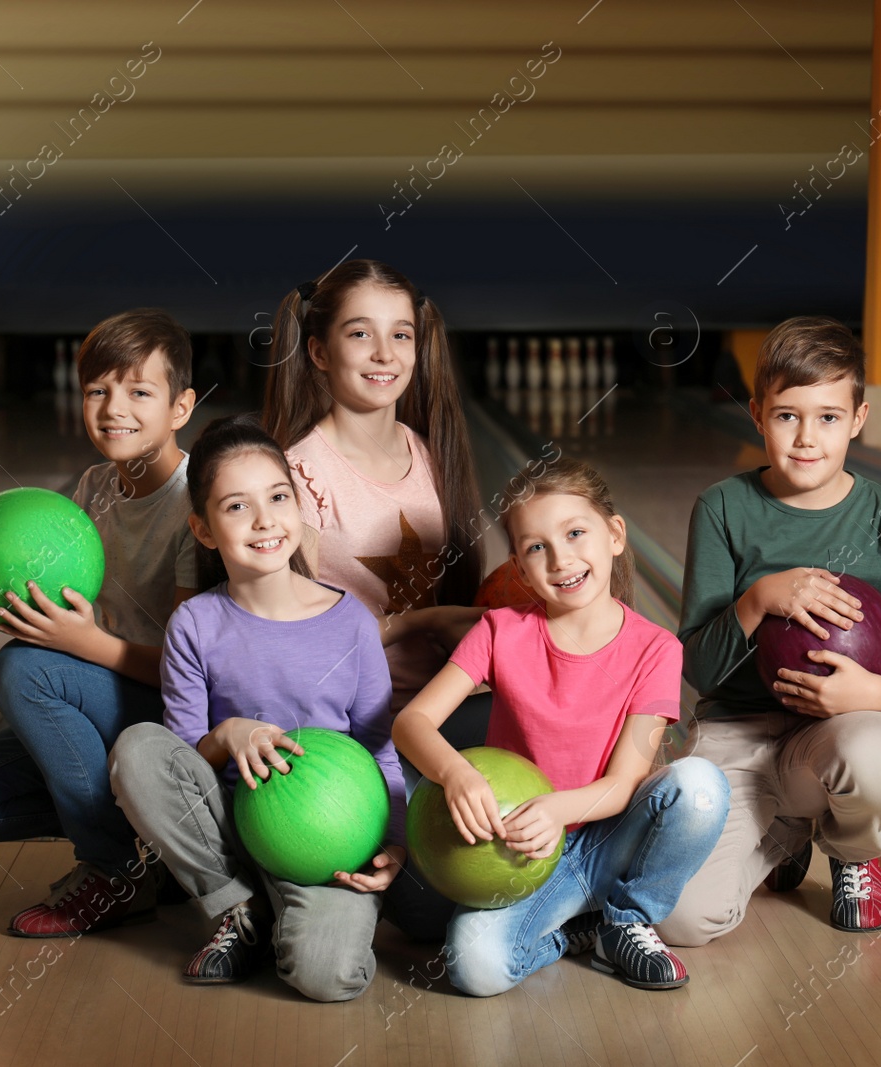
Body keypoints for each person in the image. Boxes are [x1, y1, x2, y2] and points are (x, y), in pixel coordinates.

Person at [657, 316, 881, 947]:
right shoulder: (724, 507)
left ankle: (853, 851)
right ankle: (786, 832)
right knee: (683, 920)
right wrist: (756, 600)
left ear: (857, 418)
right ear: (756, 414)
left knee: (875, 752)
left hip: (837, 736)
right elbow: (697, 667)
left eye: (827, 417)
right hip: (738, 739)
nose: (805, 438)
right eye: (786, 415)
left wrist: (868, 697)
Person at [392, 459, 730, 995]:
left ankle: (626, 917)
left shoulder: (656, 649)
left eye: (575, 533)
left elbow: (625, 784)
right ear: (519, 570)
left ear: (614, 535)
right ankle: (575, 932)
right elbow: (412, 723)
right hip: (522, 856)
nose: (561, 558)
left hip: (610, 839)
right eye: (535, 547)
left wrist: (556, 809)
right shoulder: (499, 631)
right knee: (473, 967)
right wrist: (454, 772)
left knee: (702, 787)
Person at [108, 414, 405, 1002]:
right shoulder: (195, 624)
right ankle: (237, 906)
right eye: (237, 507)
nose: (265, 519)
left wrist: (392, 842)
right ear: (205, 529)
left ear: (298, 507)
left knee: (328, 978)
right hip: (231, 827)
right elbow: (183, 752)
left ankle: (275, 917)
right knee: (138, 749)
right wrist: (231, 733)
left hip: (326, 839)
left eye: (277, 497)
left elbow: (382, 750)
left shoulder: (353, 624)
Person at [0, 309, 198, 936]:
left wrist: (86, 643)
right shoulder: (94, 490)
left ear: (180, 408)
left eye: (138, 391)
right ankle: (160, 852)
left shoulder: (196, 505)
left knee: (25, 670)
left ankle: (114, 872)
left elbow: (190, 676)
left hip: (176, 721)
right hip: (109, 702)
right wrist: (1, 549)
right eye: (97, 390)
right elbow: (56, 609)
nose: (112, 408)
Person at [261, 260, 486, 721]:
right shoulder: (300, 475)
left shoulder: (431, 455)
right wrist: (426, 621)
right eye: (361, 334)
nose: (385, 354)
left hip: (438, 709)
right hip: (347, 720)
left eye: (401, 335)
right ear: (320, 353)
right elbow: (294, 638)